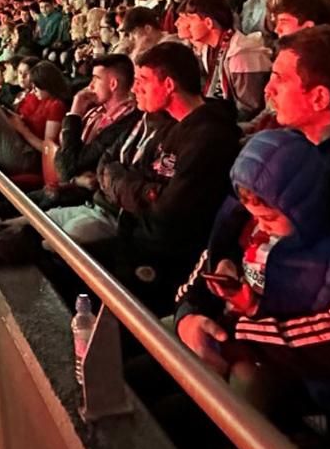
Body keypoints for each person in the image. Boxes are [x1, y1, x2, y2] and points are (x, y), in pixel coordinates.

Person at [172, 129, 330, 408]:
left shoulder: (319, 261)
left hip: (263, 352)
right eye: (255, 216)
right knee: (159, 334)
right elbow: (216, 257)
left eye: (268, 218)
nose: (261, 226)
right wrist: (221, 276)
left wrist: (250, 311)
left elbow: (300, 322)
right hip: (224, 324)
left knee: (243, 384)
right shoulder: (248, 221)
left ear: (302, 208)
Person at [92, 40, 240, 307]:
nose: (135, 88)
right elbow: (124, 173)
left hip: (164, 263)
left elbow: (167, 213)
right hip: (133, 238)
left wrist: (128, 187)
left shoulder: (210, 136)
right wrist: (141, 190)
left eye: (144, 80)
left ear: (169, 85)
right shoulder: (168, 124)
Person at [43, 54, 140, 192]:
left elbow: (66, 169)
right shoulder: (93, 110)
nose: (90, 85)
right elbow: (61, 158)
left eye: (96, 79)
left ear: (113, 84)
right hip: (68, 189)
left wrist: (75, 114)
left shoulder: (125, 122)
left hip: (82, 199)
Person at [177, 0, 271, 126]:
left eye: (191, 19)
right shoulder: (209, 49)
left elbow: (250, 107)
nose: (187, 25)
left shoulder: (241, 54)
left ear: (208, 23)